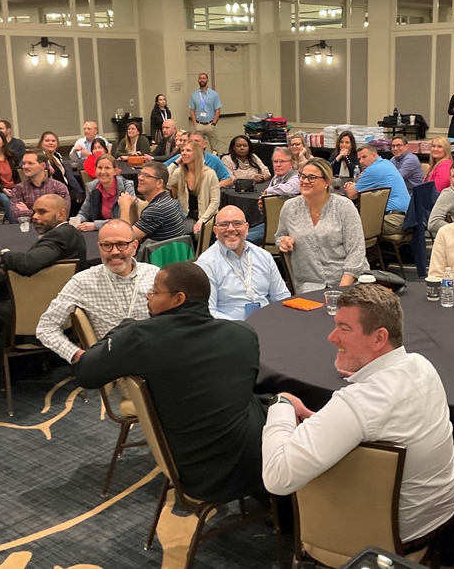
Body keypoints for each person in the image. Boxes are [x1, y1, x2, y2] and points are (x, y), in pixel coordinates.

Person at [262, 284, 454, 543]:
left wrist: (281, 403)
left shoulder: (358, 403)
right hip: (442, 509)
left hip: (390, 534)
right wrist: (364, 368)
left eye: (344, 329)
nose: (332, 337)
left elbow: (276, 478)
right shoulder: (422, 365)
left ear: (379, 338)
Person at [73, 261, 265, 504]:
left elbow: (85, 373)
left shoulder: (138, 338)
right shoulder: (243, 334)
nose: (148, 296)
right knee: (284, 400)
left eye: (154, 291)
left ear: (178, 299)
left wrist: (124, 327)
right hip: (253, 462)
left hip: (195, 473)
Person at [0, 194, 88, 367]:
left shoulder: (59, 237)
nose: (35, 217)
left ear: (61, 215)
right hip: (61, 305)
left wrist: (6, 255)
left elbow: (27, 264)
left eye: (42, 212)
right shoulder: (71, 234)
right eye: (34, 212)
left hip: (43, 311)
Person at [37, 220, 159, 364]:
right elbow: (46, 327)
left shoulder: (155, 276)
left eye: (122, 244)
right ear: (99, 247)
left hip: (155, 355)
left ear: (134, 246)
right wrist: (80, 356)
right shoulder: (83, 282)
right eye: (107, 245)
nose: (114, 252)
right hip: (113, 363)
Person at [276, 159, 368, 293]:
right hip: (309, 285)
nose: (305, 181)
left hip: (349, 281)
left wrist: (343, 289)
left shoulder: (343, 206)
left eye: (312, 177)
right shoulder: (290, 207)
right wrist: (283, 242)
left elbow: (356, 251)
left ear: (327, 182)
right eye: (302, 176)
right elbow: (279, 236)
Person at [196, 206, 290, 320]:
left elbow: (281, 296)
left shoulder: (263, 256)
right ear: (215, 231)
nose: (231, 229)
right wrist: (243, 327)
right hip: (230, 327)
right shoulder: (206, 264)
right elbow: (210, 312)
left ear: (247, 228)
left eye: (237, 223)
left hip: (267, 322)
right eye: (224, 224)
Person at [343, 144, 410, 236]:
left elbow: (352, 195)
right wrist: (355, 186)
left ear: (374, 155)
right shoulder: (386, 163)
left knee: (347, 225)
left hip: (393, 220)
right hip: (408, 218)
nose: (361, 161)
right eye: (359, 159)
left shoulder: (372, 170)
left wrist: (349, 187)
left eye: (364, 157)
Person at [247, 148, 303, 245]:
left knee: (246, 239)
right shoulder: (276, 178)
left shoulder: (297, 177)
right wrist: (262, 206)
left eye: (282, 161)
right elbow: (267, 204)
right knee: (240, 235)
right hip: (272, 222)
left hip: (288, 228)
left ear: (292, 163)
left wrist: (268, 190)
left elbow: (289, 189)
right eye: (275, 161)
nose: (278, 165)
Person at [121, 161, 185, 243]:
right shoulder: (165, 200)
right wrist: (132, 206)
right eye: (140, 174)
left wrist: (124, 207)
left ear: (159, 183)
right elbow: (137, 228)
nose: (140, 178)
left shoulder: (157, 209)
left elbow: (125, 237)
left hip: (161, 251)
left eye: (146, 175)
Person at [171, 140, 220, 237]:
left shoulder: (209, 174)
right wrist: (175, 163)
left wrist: (201, 221)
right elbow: (165, 181)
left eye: (188, 150)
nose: (184, 153)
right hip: (188, 216)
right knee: (174, 232)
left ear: (197, 154)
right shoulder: (180, 172)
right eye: (182, 150)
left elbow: (215, 202)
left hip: (207, 217)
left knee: (193, 233)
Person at [74, 154, 135, 232]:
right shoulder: (93, 188)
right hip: (100, 232)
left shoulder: (127, 187)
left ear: (115, 171)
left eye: (107, 168)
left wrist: (96, 225)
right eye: (100, 168)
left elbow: (124, 219)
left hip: (121, 231)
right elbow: (84, 213)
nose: (102, 172)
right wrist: (76, 221)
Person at [10, 149, 71, 220]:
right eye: (24, 163)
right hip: (28, 226)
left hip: (53, 227)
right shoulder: (18, 189)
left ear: (42, 165)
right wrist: (47, 213)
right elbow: (16, 215)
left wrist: (28, 212)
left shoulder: (59, 187)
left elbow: (63, 214)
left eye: (30, 163)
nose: (25, 167)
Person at [164, 132, 233, 187]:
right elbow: (162, 169)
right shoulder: (181, 157)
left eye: (197, 141)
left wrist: (211, 188)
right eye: (191, 141)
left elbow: (228, 179)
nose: (194, 144)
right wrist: (175, 163)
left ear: (204, 144)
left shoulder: (214, 160)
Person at [38, 130, 82, 204]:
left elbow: (67, 174)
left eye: (53, 141)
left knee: (79, 195)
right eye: (47, 141)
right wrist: (47, 166)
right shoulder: (38, 155)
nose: (50, 143)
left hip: (63, 188)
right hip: (49, 192)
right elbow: (23, 163)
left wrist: (79, 190)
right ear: (41, 143)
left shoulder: (57, 156)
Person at [190, 72, 221, 153]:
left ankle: (214, 160)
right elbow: (192, 110)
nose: (202, 80)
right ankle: (200, 160)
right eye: (200, 78)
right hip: (199, 125)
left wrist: (214, 123)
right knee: (198, 147)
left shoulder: (214, 94)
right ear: (198, 80)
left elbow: (217, 109)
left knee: (214, 147)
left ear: (207, 80)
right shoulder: (194, 95)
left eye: (204, 78)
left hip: (210, 124)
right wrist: (195, 123)